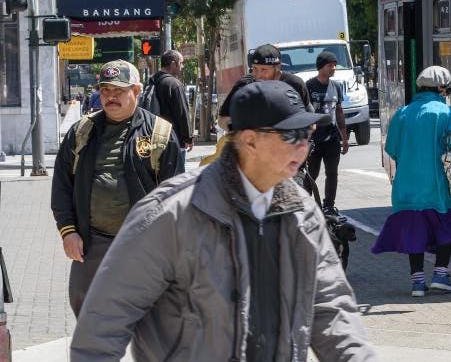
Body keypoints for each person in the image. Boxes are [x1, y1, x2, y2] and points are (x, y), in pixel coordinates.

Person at [70, 80, 377, 361]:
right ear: (250, 140)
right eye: (291, 135)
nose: (303, 146)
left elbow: (332, 312)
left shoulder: (303, 215)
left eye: (306, 135)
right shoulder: (171, 214)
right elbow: (102, 325)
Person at [50, 60, 184, 316]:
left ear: (136, 90)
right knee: (89, 315)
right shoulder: (81, 132)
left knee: (150, 321)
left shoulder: (160, 133)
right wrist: (68, 232)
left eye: (118, 91)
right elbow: (61, 186)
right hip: (91, 244)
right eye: (105, 90)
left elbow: (176, 196)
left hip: (143, 246)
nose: (110, 97)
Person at [371, 65, 451, 297]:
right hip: (438, 190)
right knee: (445, 229)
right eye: (446, 90)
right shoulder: (447, 114)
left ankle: (417, 283)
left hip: (407, 189)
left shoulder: (403, 113)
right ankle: (440, 275)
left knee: (414, 234)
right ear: (440, 89)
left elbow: (392, 148)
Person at [203, 44, 312, 167]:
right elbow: (223, 119)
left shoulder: (295, 84)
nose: (258, 75)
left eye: (264, 70)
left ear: (277, 68)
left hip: (288, 159)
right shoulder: (245, 85)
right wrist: (239, 131)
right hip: (254, 160)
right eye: (255, 69)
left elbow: (310, 121)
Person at [306, 50, 349, 212]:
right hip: (313, 139)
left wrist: (344, 138)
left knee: (332, 173)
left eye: (334, 66)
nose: (333, 68)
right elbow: (302, 113)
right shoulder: (309, 86)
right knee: (312, 173)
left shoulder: (336, 86)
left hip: (331, 138)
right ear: (321, 67)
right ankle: (304, 203)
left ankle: (329, 205)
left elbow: (339, 112)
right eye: (330, 65)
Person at [144, 49, 193, 150]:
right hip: (173, 139)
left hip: (153, 136)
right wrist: (188, 138)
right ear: (173, 64)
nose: (182, 66)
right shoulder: (174, 84)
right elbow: (182, 113)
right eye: (181, 63)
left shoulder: (151, 81)